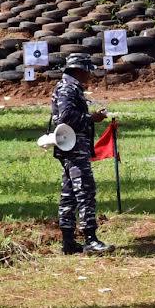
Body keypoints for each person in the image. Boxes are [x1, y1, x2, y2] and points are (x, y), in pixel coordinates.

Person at [49, 53, 112, 254]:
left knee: (69, 194)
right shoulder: (68, 88)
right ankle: (90, 239)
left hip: (72, 147)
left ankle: (68, 242)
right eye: (87, 72)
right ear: (79, 70)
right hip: (74, 147)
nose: (90, 76)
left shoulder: (69, 87)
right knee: (85, 190)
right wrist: (90, 118)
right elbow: (66, 117)